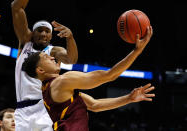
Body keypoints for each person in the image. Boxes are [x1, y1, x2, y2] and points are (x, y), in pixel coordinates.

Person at [22, 26, 154, 131]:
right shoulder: (62, 81)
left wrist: (129, 98)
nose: (52, 57)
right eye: (47, 57)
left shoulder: (52, 89)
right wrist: (137, 51)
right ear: (40, 70)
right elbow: (110, 75)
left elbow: (94, 105)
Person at [11, 0, 78, 130]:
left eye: (47, 31)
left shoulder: (53, 51)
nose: (43, 34)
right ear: (32, 33)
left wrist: (70, 38)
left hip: (45, 108)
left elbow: (71, 59)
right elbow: (16, 7)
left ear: (51, 36)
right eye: (39, 30)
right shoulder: (25, 43)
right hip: (22, 110)